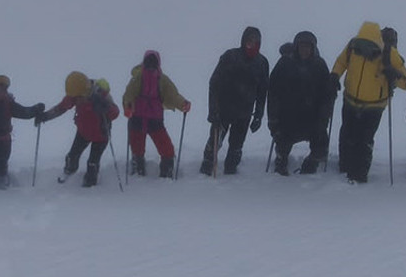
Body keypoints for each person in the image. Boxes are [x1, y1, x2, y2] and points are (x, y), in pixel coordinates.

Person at [329, 22, 406, 183]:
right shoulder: (353, 46)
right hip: (352, 100)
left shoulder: (389, 54)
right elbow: (341, 62)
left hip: (373, 106)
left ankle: (359, 174)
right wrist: (334, 75)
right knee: (349, 135)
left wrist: (394, 74)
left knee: (362, 138)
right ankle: (346, 167)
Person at [200, 26, 270, 175]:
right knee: (214, 143)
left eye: (255, 42)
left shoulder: (262, 63)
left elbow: (262, 92)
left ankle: (231, 172)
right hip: (223, 110)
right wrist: (213, 110)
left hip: (244, 113)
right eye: (249, 40)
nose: (251, 44)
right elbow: (214, 83)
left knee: (237, 146)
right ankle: (206, 169)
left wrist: (258, 115)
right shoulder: (230, 56)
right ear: (243, 41)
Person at [266, 31, 335, 175]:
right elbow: (273, 92)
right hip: (288, 116)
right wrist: (273, 119)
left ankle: (311, 163)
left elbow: (327, 95)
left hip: (313, 117)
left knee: (321, 147)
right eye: (301, 46)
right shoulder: (285, 63)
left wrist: (324, 116)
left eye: (308, 47)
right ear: (296, 47)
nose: (305, 50)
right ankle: (281, 160)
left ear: (313, 48)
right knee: (282, 140)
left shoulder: (319, 65)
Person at [37, 71, 120, 187]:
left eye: (78, 98)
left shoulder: (101, 96)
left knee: (92, 163)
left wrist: (106, 107)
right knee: (72, 156)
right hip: (83, 132)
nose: (76, 101)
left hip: (101, 135)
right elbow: (61, 108)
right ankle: (68, 172)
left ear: (85, 92)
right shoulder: (75, 94)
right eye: (74, 98)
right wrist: (45, 116)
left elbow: (115, 113)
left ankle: (90, 185)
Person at [121, 50, 191, 178]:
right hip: (150, 118)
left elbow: (172, 95)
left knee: (150, 147)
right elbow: (129, 95)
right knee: (154, 148)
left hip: (142, 118)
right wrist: (128, 105)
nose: (151, 66)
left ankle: (141, 170)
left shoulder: (153, 79)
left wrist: (182, 104)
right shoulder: (145, 78)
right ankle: (163, 171)